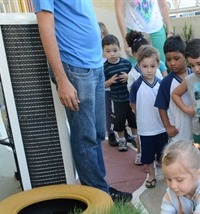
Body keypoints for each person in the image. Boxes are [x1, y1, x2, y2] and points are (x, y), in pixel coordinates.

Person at [34, 0, 132, 203]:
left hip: (94, 66)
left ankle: (100, 187)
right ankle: (98, 197)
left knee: (97, 133)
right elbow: (45, 26)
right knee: (84, 136)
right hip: (75, 67)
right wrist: (62, 80)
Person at [129, 45, 168, 189]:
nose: (149, 70)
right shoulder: (136, 86)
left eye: (152, 66)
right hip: (145, 129)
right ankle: (151, 174)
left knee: (163, 154)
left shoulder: (161, 84)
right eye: (145, 66)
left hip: (161, 127)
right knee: (148, 155)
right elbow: (133, 105)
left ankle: (167, 174)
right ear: (138, 66)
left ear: (158, 64)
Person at [171, 39, 200, 145]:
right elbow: (175, 94)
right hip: (198, 129)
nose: (196, 69)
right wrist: (186, 109)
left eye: (199, 64)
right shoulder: (189, 80)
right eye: (192, 65)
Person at [154, 34, 194, 142]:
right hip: (178, 133)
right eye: (168, 59)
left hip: (197, 131)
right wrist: (167, 126)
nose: (172, 63)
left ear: (185, 57)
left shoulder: (195, 76)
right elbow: (161, 106)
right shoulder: (166, 82)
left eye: (176, 58)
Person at [103, 34, 137, 153]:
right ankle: (122, 140)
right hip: (116, 101)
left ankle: (135, 138)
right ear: (103, 52)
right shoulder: (105, 67)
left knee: (133, 120)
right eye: (108, 51)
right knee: (119, 122)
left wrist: (128, 76)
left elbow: (134, 77)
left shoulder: (126, 63)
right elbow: (102, 85)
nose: (112, 54)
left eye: (115, 50)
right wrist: (110, 81)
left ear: (120, 49)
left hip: (129, 99)